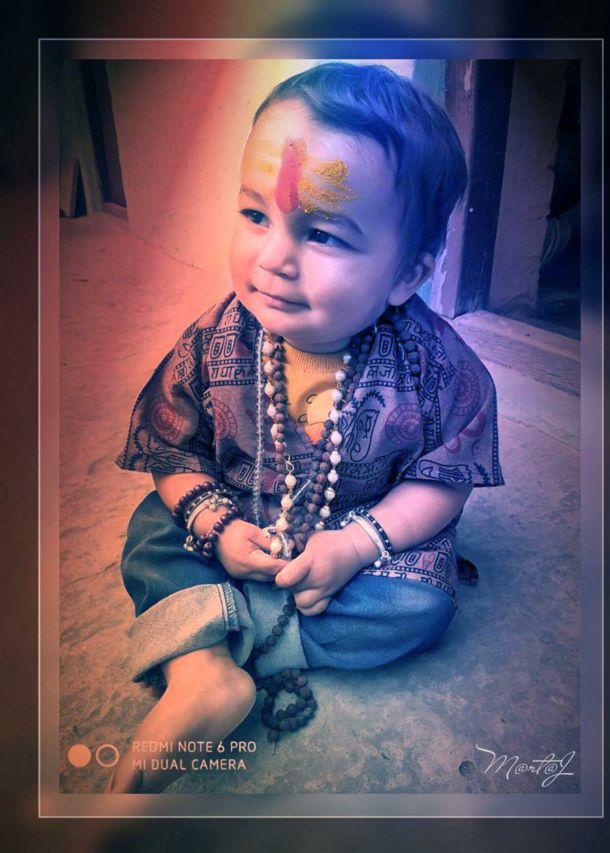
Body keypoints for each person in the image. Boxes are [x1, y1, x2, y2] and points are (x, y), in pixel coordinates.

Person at [107, 62, 504, 794]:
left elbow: (443, 480)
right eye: (255, 215)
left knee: (423, 601)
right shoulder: (213, 340)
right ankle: (204, 677)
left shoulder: (436, 367)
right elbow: (172, 450)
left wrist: (356, 545)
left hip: (358, 535)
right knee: (153, 530)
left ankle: (214, 633)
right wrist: (216, 527)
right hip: (233, 519)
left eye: (321, 233)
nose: (272, 259)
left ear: (407, 272)